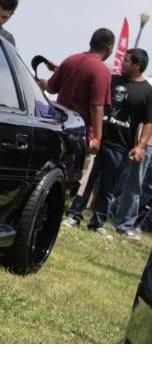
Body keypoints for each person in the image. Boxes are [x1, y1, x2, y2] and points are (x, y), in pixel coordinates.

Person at [38, 28, 115, 226]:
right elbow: (97, 106)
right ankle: (54, 216)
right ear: (109, 48)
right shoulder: (101, 71)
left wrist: (43, 82)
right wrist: (97, 137)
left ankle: (40, 209)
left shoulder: (71, 60)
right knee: (72, 177)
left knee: (49, 170)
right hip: (80, 133)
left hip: (58, 125)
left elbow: (52, 87)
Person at [88, 48, 152, 240]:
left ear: (137, 65)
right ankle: (120, 223)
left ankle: (116, 221)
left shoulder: (146, 89)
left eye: (126, 60)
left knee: (137, 188)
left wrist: (140, 145)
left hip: (133, 144)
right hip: (127, 142)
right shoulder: (141, 85)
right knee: (129, 185)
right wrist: (140, 145)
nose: (122, 62)